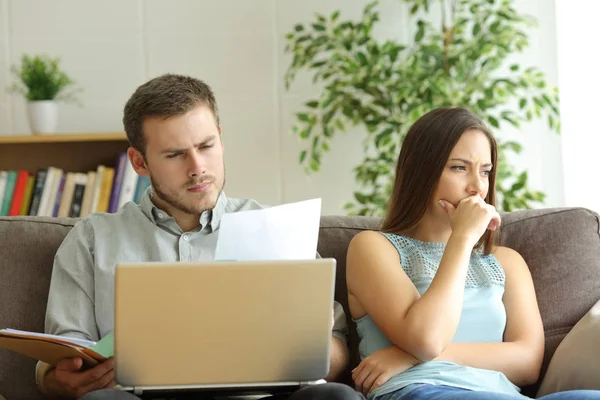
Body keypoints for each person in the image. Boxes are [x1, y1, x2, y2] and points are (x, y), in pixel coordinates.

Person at [36, 73, 362, 400]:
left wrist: (310, 351)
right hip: (139, 398)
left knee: (338, 397)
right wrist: (59, 380)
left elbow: (335, 347)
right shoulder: (92, 239)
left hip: (260, 397)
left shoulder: (276, 228)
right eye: (175, 155)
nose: (197, 168)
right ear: (139, 162)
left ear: (220, 138)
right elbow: (62, 360)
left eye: (206, 146)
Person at [345, 107, 600, 400]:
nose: (477, 186)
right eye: (458, 167)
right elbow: (426, 340)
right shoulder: (373, 247)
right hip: (421, 390)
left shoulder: (507, 262)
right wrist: (463, 238)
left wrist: (409, 357)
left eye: (485, 171)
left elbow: (528, 362)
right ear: (421, 171)